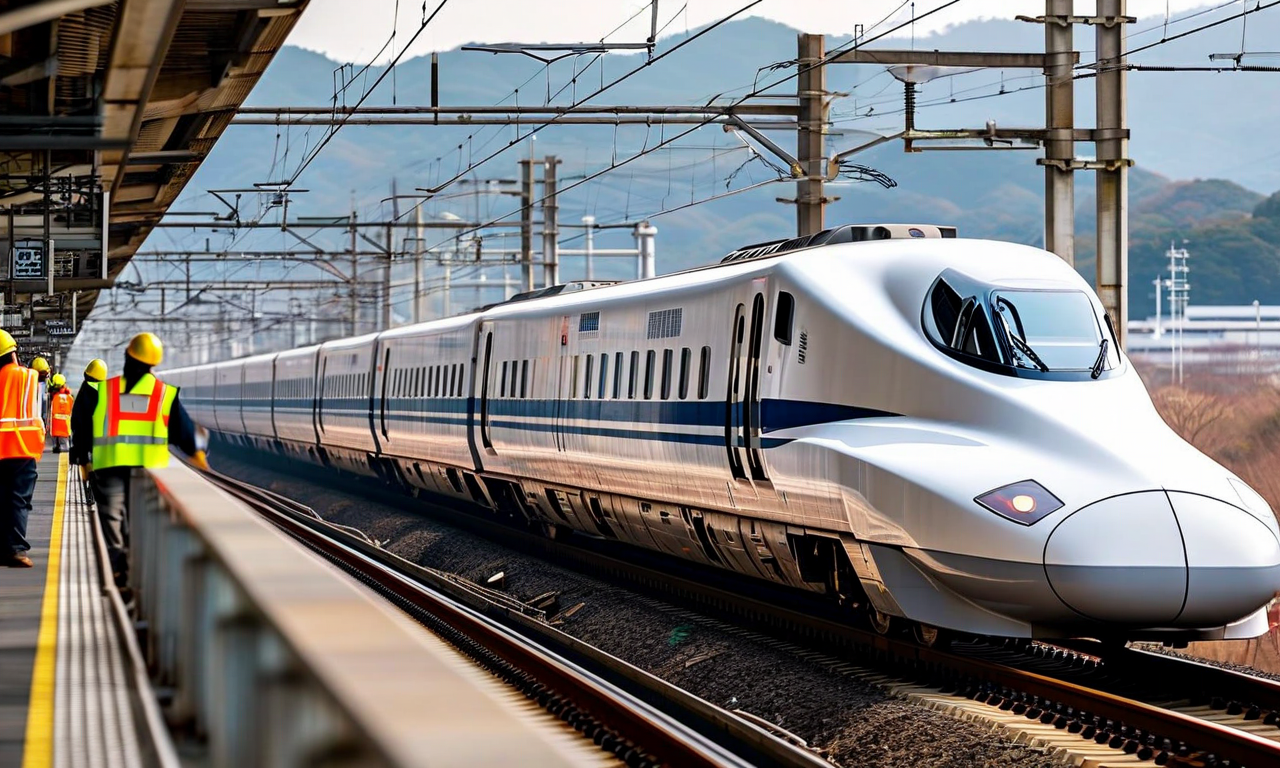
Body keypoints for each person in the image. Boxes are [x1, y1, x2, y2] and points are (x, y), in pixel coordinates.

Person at [69, 334, 208, 582]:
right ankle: (137, 569)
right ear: (153, 364)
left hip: (110, 464)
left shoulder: (106, 390)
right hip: (146, 470)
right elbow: (185, 434)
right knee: (139, 521)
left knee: (111, 517)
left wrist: (82, 457)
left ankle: (116, 566)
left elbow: (86, 426)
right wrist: (199, 458)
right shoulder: (163, 393)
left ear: (126, 356)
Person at [0, 332, 46, 567]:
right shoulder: (30, 377)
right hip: (23, 448)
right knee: (18, 500)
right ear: (13, 354)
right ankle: (15, 550)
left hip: (1, 449)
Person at [48, 374, 73, 453]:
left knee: (56, 443)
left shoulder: (53, 396)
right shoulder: (69, 397)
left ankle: (56, 446)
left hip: (55, 427)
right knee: (65, 446)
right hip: (66, 427)